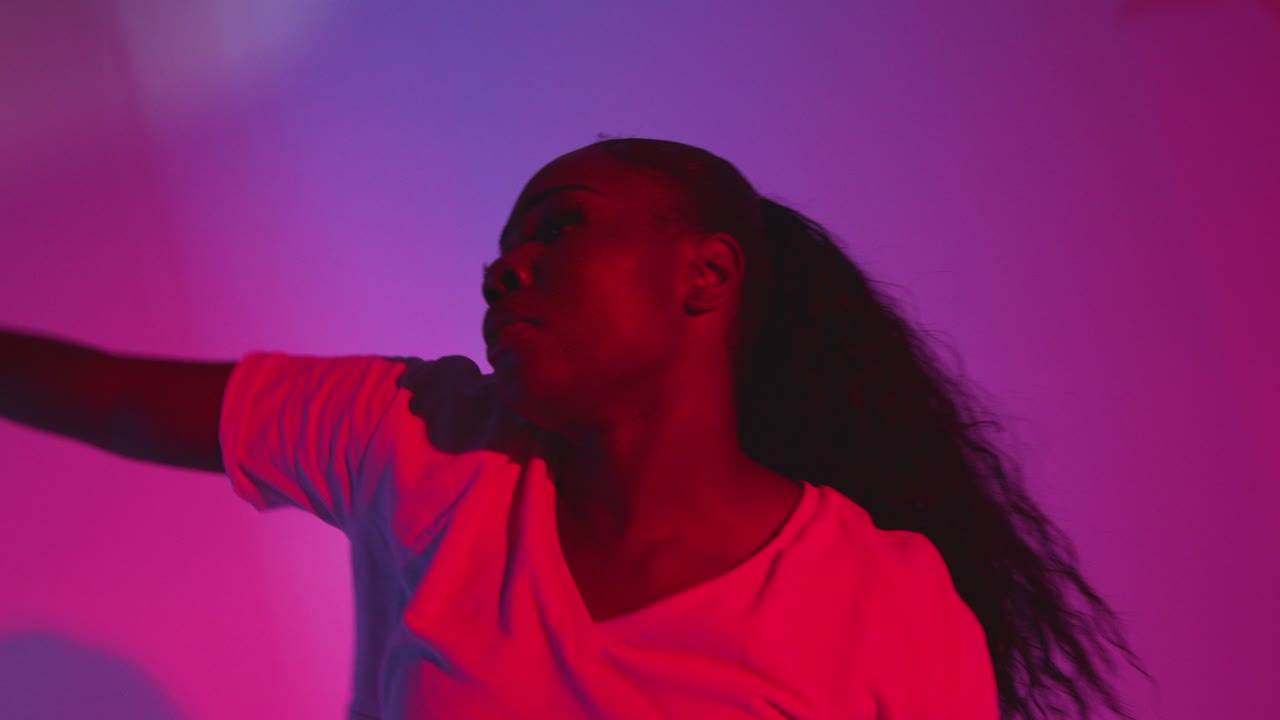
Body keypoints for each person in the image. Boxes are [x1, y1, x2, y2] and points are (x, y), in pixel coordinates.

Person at [1, 137, 1148, 719]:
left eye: (560, 225)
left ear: (704, 273)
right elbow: (109, 396)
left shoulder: (880, 601)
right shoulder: (417, 436)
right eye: (504, 240)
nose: (504, 266)